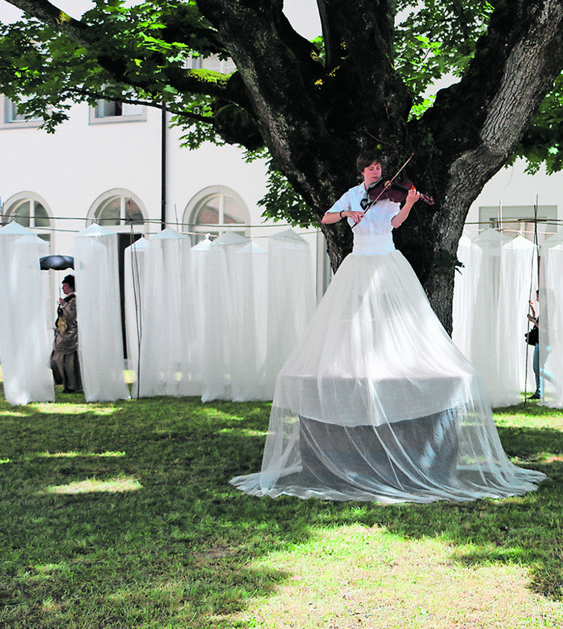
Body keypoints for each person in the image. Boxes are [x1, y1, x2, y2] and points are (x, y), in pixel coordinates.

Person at [230, 154, 545, 503]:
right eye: (372, 169)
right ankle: (356, 364)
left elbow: (395, 224)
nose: (378, 173)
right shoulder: (352, 194)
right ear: (362, 171)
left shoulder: (391, 194)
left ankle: (392, 363)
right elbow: (326, 217)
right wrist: (347, 213)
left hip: (386, 255)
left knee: (400, 316)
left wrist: (409, 202)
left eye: (380, 168)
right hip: (360, 258)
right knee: (353, 314)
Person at [50, 274, 82, 394]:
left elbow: (71, 316)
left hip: (70, 336)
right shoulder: (68, 300)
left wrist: (63, 305)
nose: (63, 289)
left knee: (68, 362)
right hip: (62, 334)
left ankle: (71, 385)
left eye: (65, 286)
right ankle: (63, 381)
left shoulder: (73, 300)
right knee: (56, 360)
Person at [526, 291, 541, 399]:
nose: (536, 299)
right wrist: (533, 310)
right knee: (537, 368)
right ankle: (539, 391)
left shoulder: (548, 310)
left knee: (538, 368)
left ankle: (557, 384)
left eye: (537, 296)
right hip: (539, 341)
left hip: (543, 342)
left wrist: (533, 321)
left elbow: (543, 327)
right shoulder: (545, 309)